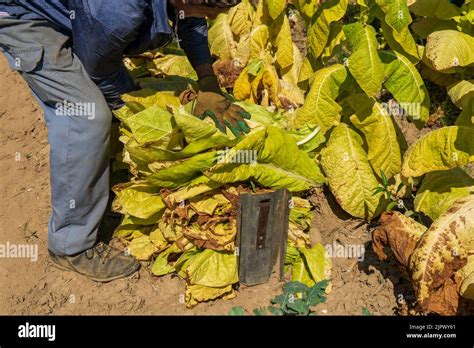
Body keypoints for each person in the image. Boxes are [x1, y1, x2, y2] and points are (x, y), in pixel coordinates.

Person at [0, 0, 250, 282]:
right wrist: (137, 110)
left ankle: (102, 186)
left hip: (78, 13)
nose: (209, 18)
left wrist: (208, 82)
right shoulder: (120, 13)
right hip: (24, 16)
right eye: (208, 13)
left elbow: (189, 18)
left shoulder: (173, 5)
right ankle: (70, 246)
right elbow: (98, 72)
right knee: (87, 116)